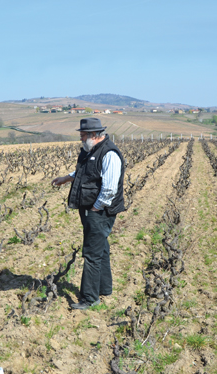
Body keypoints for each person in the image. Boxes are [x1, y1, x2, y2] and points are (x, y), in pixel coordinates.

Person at [52, 118, 125, 310]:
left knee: (91, 253)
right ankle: (104, 288)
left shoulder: (109, 153)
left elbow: (109, 188)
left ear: (94, 135)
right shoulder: (89, 151)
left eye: (83, 135)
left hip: (100, 211)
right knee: (102, 249)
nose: (81, 138)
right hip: (93, 209)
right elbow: (84, 172)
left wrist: (96, 208)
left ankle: (90, 298)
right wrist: (66, 179)